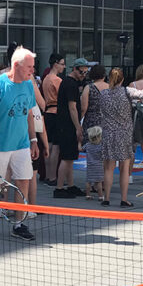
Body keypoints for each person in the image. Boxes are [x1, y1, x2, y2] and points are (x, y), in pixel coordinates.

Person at [0, 46, 39, 242]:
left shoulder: (28, 84)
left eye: (33, 66)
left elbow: (29, 114)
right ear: (16, 65)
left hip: (21, 144)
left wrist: (33, 140)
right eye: (29, 67)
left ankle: (19, 224)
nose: (32, 70)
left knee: (24, 181)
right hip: (0, 145)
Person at [98, 68, 143, 207]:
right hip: (124, 133)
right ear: (122, 79)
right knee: (124, 168)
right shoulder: (127, 91)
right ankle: (124, 199)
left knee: (108, 167)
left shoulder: (104, 94)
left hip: (108, 132)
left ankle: (106, 198)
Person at [53, 58, 89, 198]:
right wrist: (78, 126)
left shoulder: (70, 83)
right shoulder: (70, 84)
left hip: (66, 123)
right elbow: (72, 107)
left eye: (86, 72)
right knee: (67, 157)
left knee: (70, 157)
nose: (83, 75)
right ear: (74, 69)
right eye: (81, 72)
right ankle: (60, 187)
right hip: (67, 125)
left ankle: (70, 185)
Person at [41, 53, 65, 185]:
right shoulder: (57, 80)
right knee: (55, 147)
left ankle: (47, 175)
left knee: (48, 146)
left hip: (47, 112)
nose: (64, 66)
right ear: (55, 64)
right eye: (62, 63)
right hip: (56, 112)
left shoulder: (45, 79)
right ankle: (52, 177)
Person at [84, 125, 104, 202]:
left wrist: (79, 142)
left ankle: (88, 194)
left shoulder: (88, 145)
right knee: (99, 182)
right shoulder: (101, 146)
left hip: (90, 166)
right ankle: (100, 196)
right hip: (99, 166)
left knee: (88, 181)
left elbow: (81, 149)